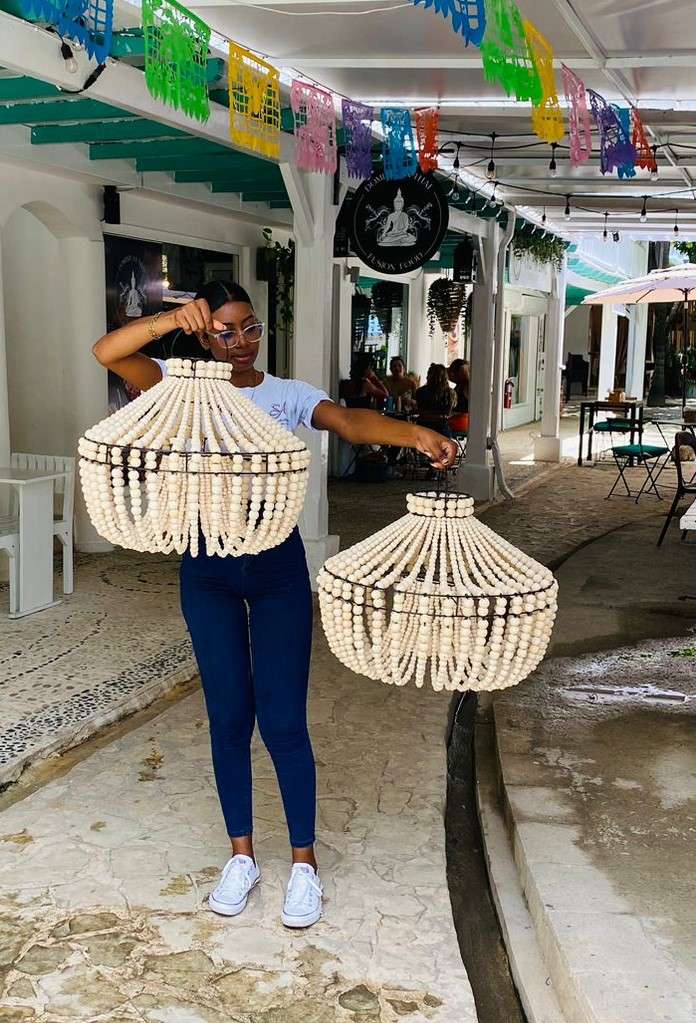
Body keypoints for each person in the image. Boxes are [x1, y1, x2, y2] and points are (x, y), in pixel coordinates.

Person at [92, 280, 457, 930]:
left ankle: (304, 865)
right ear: (204, 334)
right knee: (229, 718)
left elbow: (349, 421)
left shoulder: (285, 395)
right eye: (225, 330)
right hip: (206, 569)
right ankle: (242, 856)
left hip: (277, 570)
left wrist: (415, 433)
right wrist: (169, 320)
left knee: (284, 721)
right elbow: (108, 352)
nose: (241, 341)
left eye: (250, 327)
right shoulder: (176, 385)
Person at [415, 363, 456, 436]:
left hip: (423, 427)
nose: (426, 377)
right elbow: (447, 414)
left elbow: (420, 411)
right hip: (442, 429)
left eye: (429, 374)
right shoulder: (450, 393)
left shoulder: (421, 391)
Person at [447, 358, 470, 434]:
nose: (450, 375)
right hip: (461, 420)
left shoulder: (466, 386)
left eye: (452, 373)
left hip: (460, 421)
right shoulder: (460, 385)